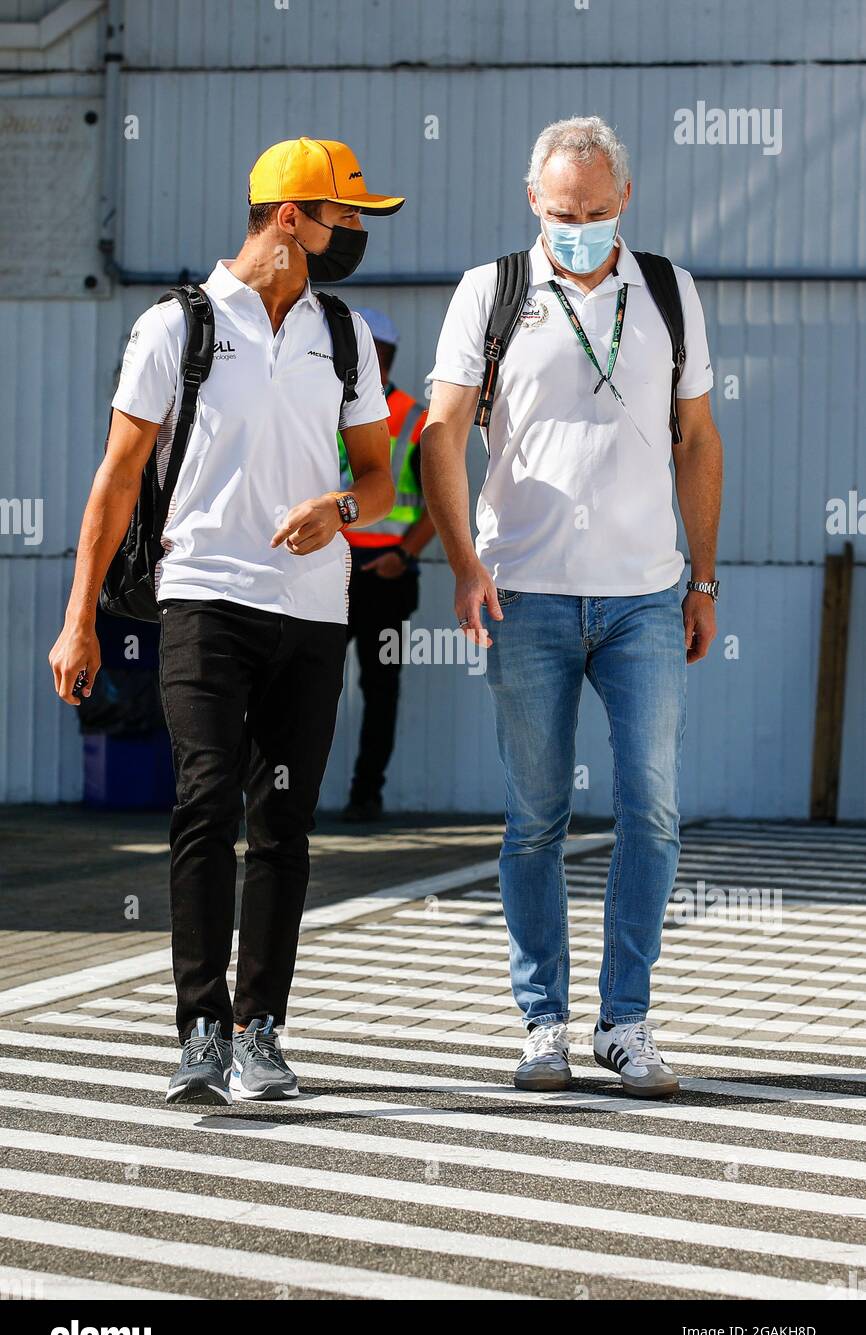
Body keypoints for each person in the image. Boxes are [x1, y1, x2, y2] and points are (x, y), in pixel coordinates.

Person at [49, 137, 404, 1106]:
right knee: (204, 804)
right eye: (348, 217)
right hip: (203, 597)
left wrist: (337, 509)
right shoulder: (176, 328)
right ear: (289, 218)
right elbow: (117, 479)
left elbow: (377, 477)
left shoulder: (339, 336)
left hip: (311, 611)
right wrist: (78, 619)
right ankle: (200, 1028)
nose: (358, 236)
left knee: (282, 818)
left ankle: (263, 1031)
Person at [422, 116, 722, 1097]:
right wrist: (464, 562)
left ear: (622, 200)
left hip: (643, 596)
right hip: (525, 595)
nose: (579, 228)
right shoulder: (492, 291)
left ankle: (623, 1021)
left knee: (653, 808)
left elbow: (696, 440)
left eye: (594, 213)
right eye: (560, 214)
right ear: (531, 201)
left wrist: (704, 578)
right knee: (535, 816)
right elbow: (442, 431)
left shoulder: (668, 291)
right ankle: (541, 1022)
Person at [338, 308, 435, 820]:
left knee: (380, 689)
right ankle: (291, 795)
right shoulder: (321, 410)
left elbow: (443, 506)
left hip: (384, 576)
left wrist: (404, 555)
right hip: (326, 572)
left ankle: (365, 794)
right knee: (308, 687)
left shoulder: (416, 420)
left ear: (379, 356)